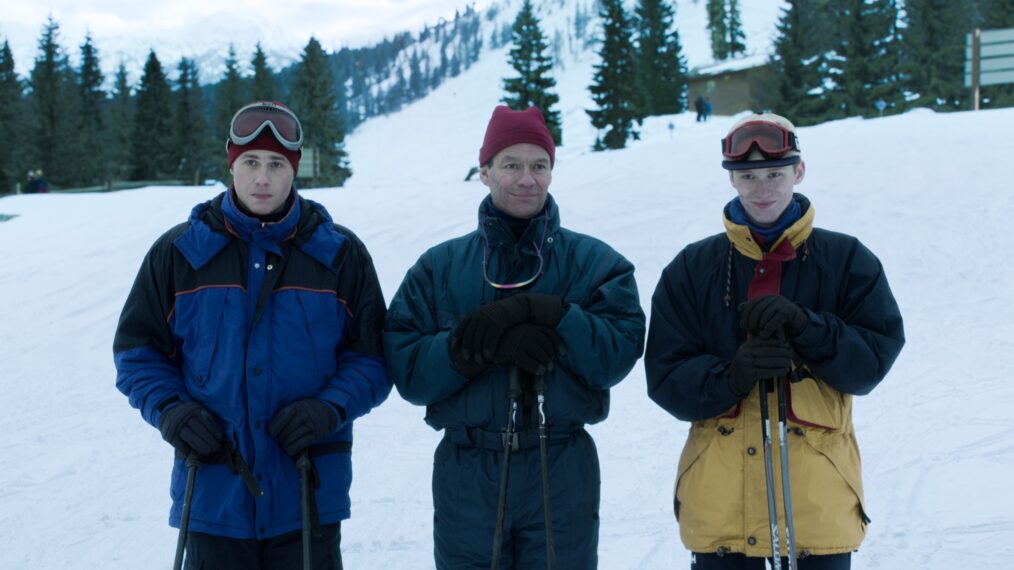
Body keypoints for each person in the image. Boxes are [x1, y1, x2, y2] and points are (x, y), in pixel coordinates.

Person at [114, 101, 391, 569]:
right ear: (231, 163)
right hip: (213, 497)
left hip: (307, 494)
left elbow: (374, 357)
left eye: (276, 164)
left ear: (294, 170)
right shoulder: (179, 253)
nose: (262, 178)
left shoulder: (340, 254)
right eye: (250, 162)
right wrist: (171, 411)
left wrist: (330, 408)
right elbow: (138, 354)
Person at [384, 105, 646, 569]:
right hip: (468, 469)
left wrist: (558, 315)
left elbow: (615, 356)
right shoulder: (438, 268)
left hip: (562, 466)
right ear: (484, 172)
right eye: (510, 165)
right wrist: (474, 349)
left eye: (538, 165)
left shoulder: (597, 264)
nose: (527, 179)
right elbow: (408, 372)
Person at [644, 113, 904, 570]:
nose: (761, 188)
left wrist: (809, 328)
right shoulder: (692, 268)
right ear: (731, 179)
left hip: (816, 511)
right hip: (720, 512)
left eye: (774, 174)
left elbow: (871, 363)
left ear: (798, 172)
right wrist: (730, 376)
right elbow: (665, 377)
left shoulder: (847, 260)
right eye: (747, 176)